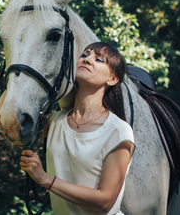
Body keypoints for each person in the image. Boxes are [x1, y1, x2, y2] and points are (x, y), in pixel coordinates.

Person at [20, 42, 135, 215]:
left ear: (112, 79)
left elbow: (105, 201)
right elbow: (12, 126)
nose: (88, 60)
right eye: (84, 55)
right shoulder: (55, 121)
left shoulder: (118, 130)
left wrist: (44, 178)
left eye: (99, 59)